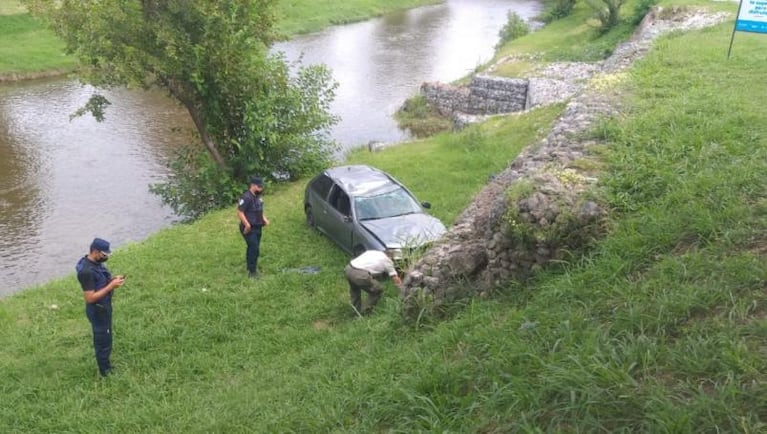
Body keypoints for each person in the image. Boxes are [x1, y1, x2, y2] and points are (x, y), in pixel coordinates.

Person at [76, 237, 125, 377]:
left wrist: (111, 280)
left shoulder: (94, 263)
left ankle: (105, 365)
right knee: (103, 340)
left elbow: (99, 282)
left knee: (106, 337)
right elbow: (89, 298)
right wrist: (111, 286)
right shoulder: (86, 272)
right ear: (95, 251)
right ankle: (105, 372)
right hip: (98, 310)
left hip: (103, 307)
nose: (106, 257)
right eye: (104, 254)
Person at [344, 250, 403, 315]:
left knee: (355, 290)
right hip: (359, 274)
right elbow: (395, 278)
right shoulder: (387, 260)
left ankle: (355, 312)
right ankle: (365, 312)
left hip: (348, 269)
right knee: (377, 290)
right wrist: (403, 290)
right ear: (392, 257)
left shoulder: (373, 252)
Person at [237, 175, 270, 279]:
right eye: (259, 186)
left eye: (262, 186)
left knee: (253, 248)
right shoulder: (246, 197)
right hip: (248, 228)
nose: (261, 188)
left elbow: (259, 210)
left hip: (258, 226)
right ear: (252, 185)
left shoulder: (258, 197)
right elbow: (240, 212)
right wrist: (247, 225)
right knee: (254, 248)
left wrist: (264, 219)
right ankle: (252, 272)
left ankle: (250, 266)